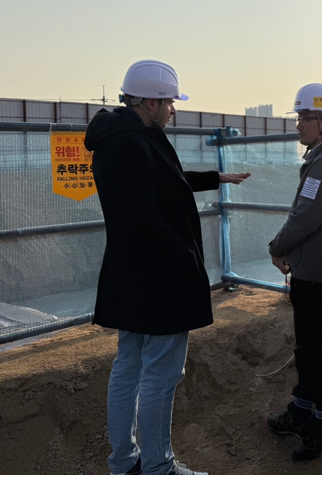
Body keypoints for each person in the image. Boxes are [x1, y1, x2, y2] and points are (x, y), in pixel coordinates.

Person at [85, 59, 251, 476]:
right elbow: (143, 216)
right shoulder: (132, 143)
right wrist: (184, 258)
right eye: (170, 102)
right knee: (160, 374)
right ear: (151, 102)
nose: (173, 110)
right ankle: (157, 466)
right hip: (158, 280)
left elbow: (164, 181)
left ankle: (124, 462)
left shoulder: (122, 137)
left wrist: (216, 177)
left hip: (131, 276)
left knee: (128, 367)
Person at [266, 83, 322, 461]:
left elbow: (306, 217)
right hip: (313, 270)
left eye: (305, 117)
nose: (298, 124)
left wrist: (277, 246)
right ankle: (304, 407)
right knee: (307, 346)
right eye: (299, 117)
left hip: (319, 275)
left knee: (316, 350)